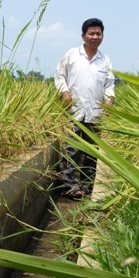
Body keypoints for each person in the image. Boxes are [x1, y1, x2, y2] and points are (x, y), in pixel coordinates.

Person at [54, 18, 115, 199]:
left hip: (95, 113)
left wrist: (109, 101)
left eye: (98, 33)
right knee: (71, 149)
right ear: (83, 35)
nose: (95, 36)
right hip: (73, 110)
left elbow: (109, 85)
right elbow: (59, 76)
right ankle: (71, 186)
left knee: (92, 151)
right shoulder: (72, 55)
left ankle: (87, 185)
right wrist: (64, 92)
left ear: (102, 36)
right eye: (91, 33)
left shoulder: (105, 60)